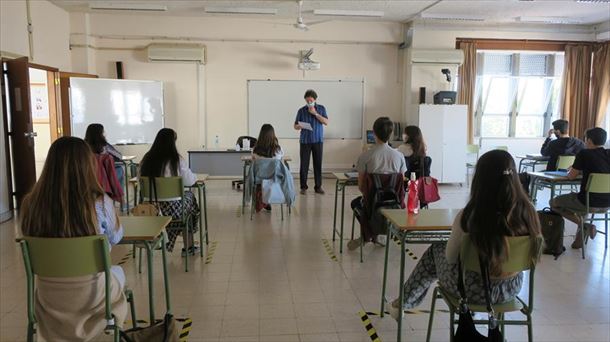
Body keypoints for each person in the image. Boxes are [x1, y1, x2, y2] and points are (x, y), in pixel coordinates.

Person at [388, 150, 541, 320]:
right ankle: (402, 302)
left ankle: (402, 303)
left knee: (436, 249)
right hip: (511, 289)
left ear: (480, 180)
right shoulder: (529, 212)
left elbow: (451, 257)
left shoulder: (470, 216)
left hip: (471, 292)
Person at [19, 137, 128, 341]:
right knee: (118, 273)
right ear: (87, 165)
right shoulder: (100, 202)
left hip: (48, 297)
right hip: (92, 296)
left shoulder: (30, 204)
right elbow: (115, 238)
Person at [348, 117, 407, 250]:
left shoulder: (365, 156)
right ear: (390, 134)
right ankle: (379, 235)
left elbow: (361, 187)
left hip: (372, 202)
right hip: (395, 204)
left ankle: (368, 235)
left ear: (374, 133)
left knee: (356, 204)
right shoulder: (399, 156)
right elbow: (401, 183)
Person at [139, 128, 200, 255]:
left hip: (151, 209)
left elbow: (140, 179)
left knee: (187, 201)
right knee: (190, 200)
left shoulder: (146, 159)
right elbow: (190, 181)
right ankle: (188, 246)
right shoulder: (176, 160)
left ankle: (158, 240)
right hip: (174, 210)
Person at [551, 127, 610, 249]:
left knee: (553, 203)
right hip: (607, 204)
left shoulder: (584, 153)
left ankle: (585, 226)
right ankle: (578, 242)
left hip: (587, 202)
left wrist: (573, 170)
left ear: (588, 140)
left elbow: (571, 176)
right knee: (583, 206)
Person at [294, 89, 328, 195]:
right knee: (304, 165)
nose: (309, 103)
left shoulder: (321, 108)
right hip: (305, 141)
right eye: (307, 101)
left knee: (318, 164)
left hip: (318, 140)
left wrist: (315, 113)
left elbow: (326, 122)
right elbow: (295, 126)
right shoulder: (301, 110)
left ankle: (318, 186)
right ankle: (303, 187)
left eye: (311, 101)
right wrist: (298, 126)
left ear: (315, 99)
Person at [252, 124, 284, 211]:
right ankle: (265, 200)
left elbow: (253, 162)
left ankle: (261, 198)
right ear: (273, 135)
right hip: (274, 178)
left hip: (259, 178)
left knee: (258, 179)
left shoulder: (255, 150)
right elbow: (281, 160)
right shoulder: (278, 150)